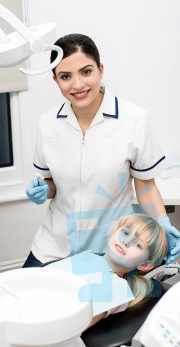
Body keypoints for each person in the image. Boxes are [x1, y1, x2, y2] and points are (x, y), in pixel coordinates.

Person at [24, 33, 180, 268]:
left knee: (98, 304)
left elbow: (145, 185)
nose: (77, 85)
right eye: (66, 76)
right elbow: (51, 184)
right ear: (55, 80)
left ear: (100, 70)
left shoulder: (134, 120)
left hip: (108, 250)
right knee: (25, 301)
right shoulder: (47, 124)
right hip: (53, 247)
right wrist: (43, 189)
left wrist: (161, 222)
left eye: (86, 72)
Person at [47, 213, 168, 327]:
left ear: (145, 265)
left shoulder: (117, 288)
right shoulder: (88, 256)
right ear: (114, 231)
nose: (126, 242)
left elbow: (70, 327)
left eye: (138, 244)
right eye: (125, 232)